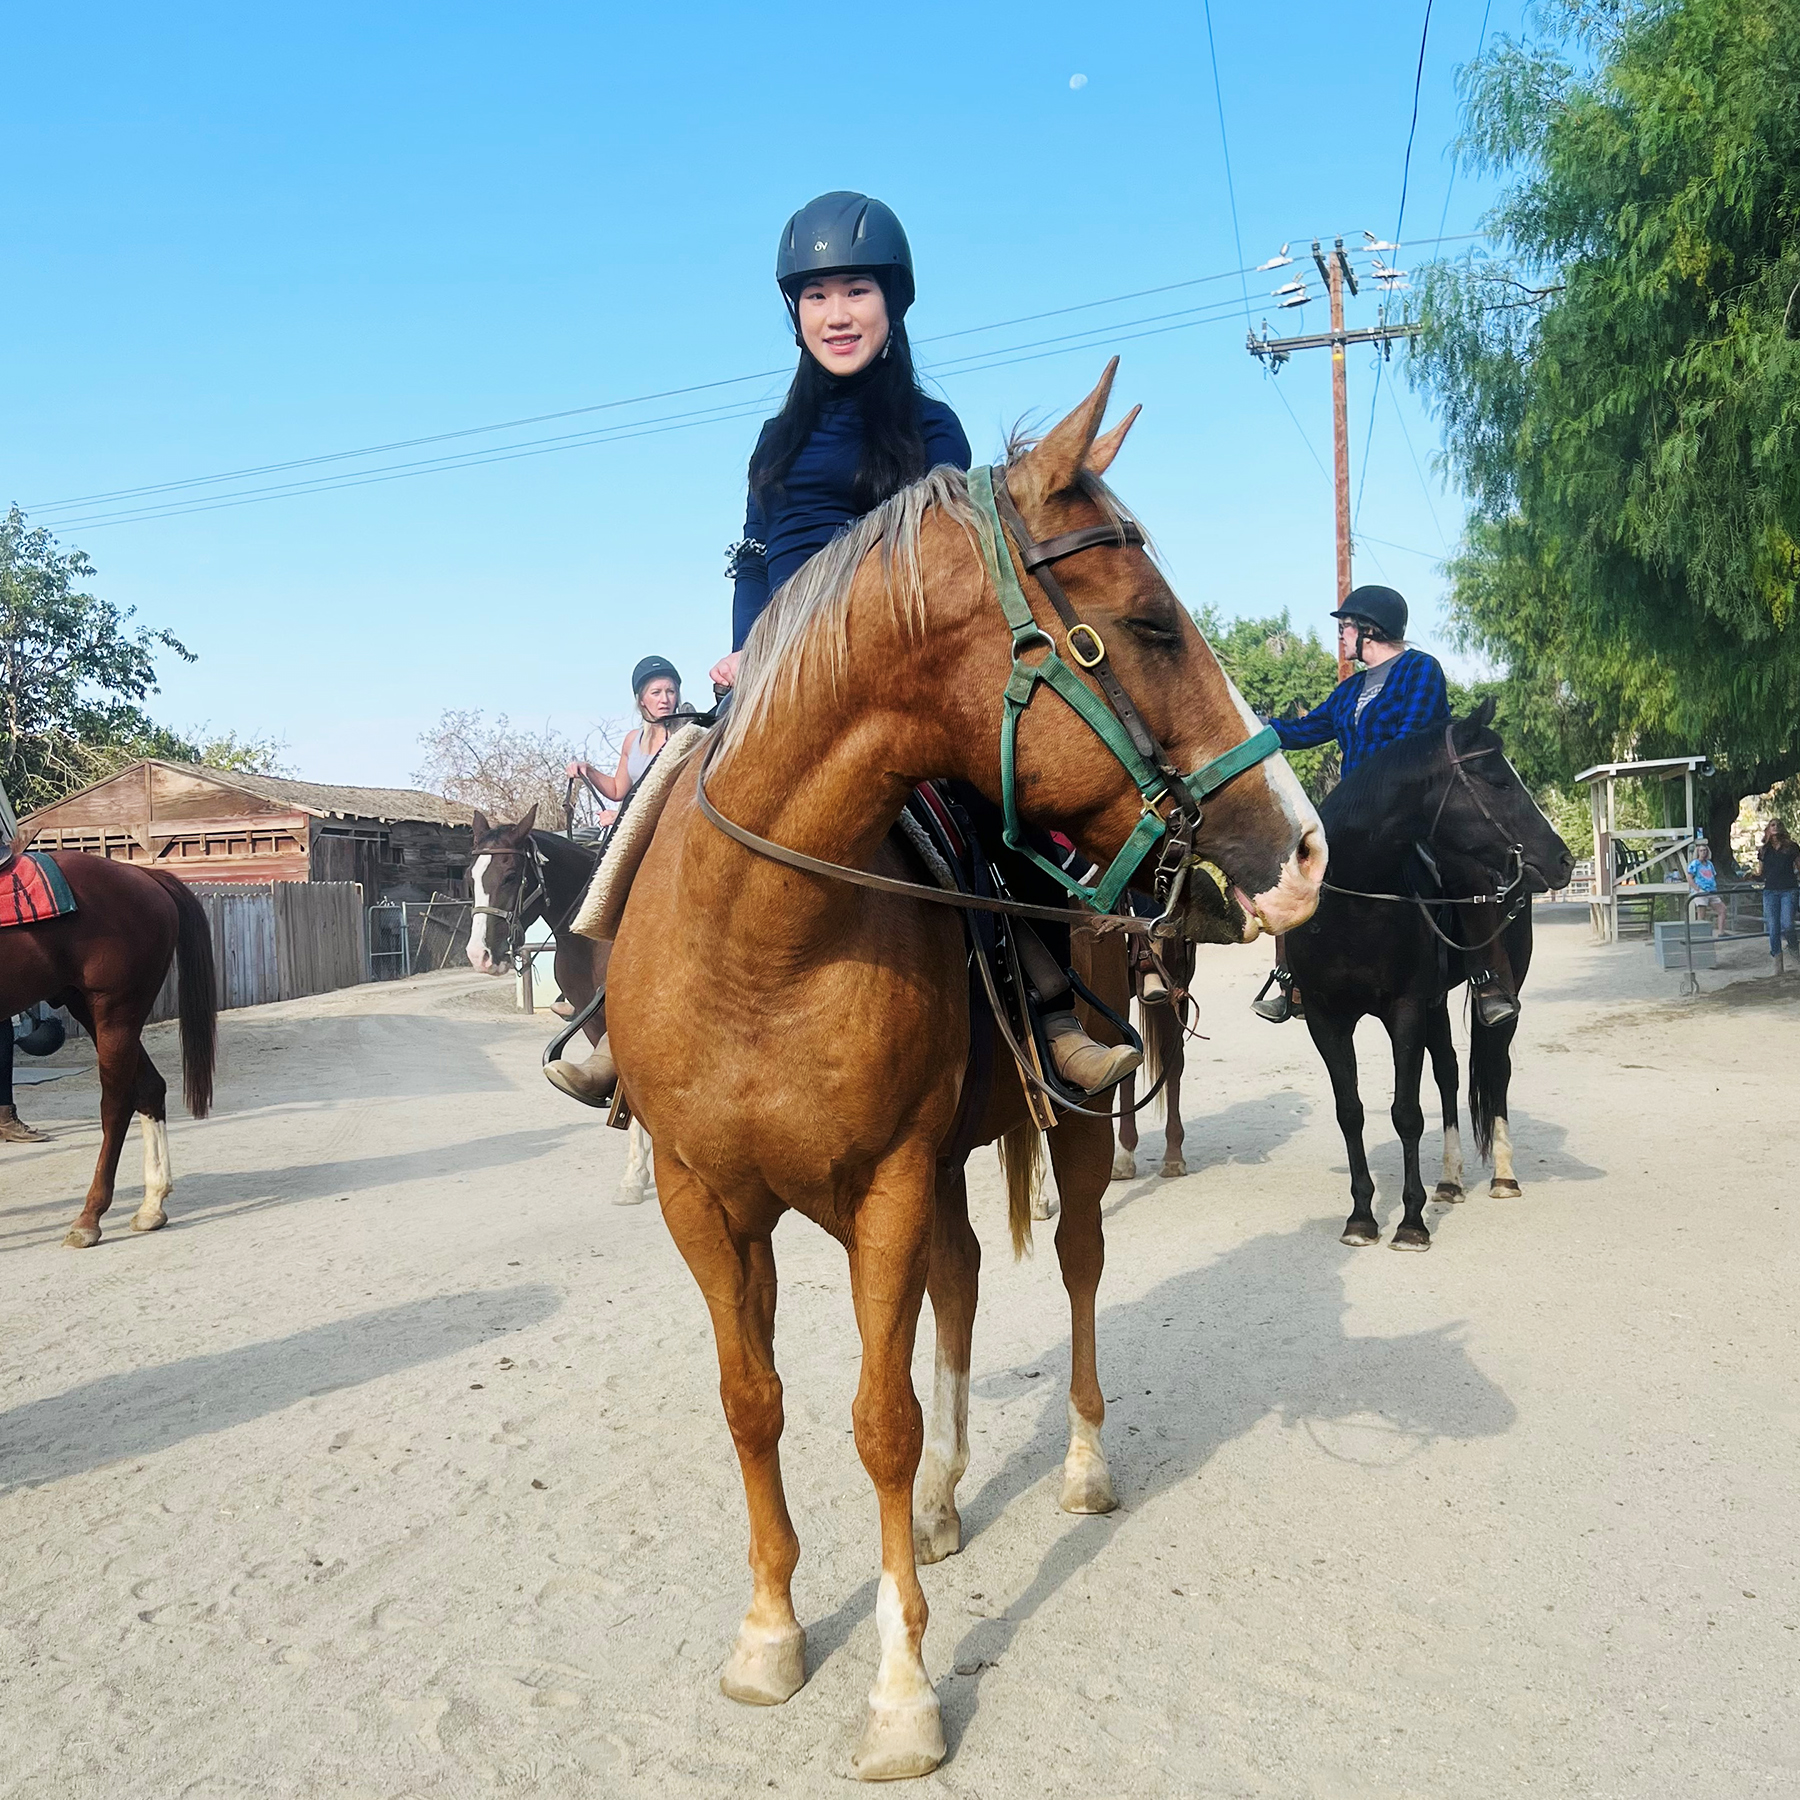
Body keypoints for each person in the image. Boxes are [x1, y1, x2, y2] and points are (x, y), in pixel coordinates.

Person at [546, 191, 1138, 1109]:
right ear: (794, 314)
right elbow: (752, 555)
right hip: (774, 676)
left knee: (985, 811)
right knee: (659, 801)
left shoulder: (934, 429)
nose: (836, 314)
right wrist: (749, 651)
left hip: (891, 679)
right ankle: (619, 1018)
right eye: (815, 297)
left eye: (855, 291)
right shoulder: (774, 440)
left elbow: (944, 565)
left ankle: (1050, 1012)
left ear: (892, 304)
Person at [1249, 585, 1521, 1027]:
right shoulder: (1350, 689)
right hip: (1353, 814)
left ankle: (1487, 978)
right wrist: (1254, 728)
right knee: (1296, 866)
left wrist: (1375, 790)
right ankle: (1290, 977)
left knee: (1461, 863)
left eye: (1346, 627)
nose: (1341, 636)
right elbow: (1306, 731)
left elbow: (1412, 742)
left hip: (1412, 806)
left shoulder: (1420, 670)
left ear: (1370, 631)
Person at [566, 656, 684, 820]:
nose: (664, 700)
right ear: (642, 700)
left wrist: (622, 819)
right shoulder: (633, 740)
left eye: (670, 692)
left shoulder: (685, 738)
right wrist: (588, 770)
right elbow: (617, 790)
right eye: (656, 693)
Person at [1755, 820, 1799, 964]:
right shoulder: (1763, 850)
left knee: (1787, 924)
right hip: (1770, 891)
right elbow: (1761, 874)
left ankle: (1793, 946)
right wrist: (1751, 876)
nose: (1775, 827)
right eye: (1772, 825)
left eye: (1778, 824)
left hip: (1789, 889)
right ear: (1768, 829)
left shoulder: (1792, 847)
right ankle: (1777, 959)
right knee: (1773, 928)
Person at [1685, 839, 1726, 932]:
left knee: (1722, 909)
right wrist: (1696, 888)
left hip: (1711, 890)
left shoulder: (1709, 864)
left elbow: (1712, 876)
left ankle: (1721, 932)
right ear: (1698, 852)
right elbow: (1689, 877)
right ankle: (1701, 935)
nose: (1703, 852)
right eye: (1701, 851)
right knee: (1701, 914)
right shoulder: (1695, 863)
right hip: (1701, 890)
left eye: (1705, 850)